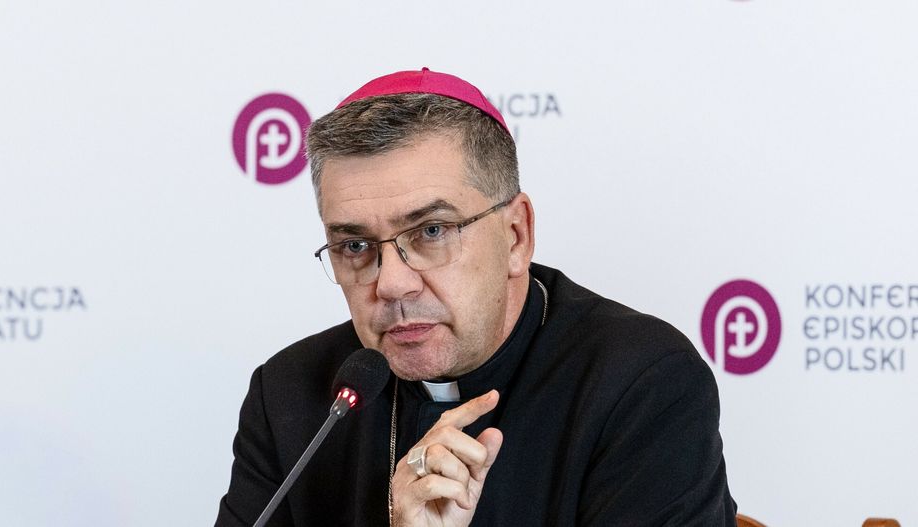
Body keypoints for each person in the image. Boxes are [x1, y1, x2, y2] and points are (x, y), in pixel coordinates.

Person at [215, 68, 737, 526]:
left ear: (515, 236)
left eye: (432, 232)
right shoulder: (291, 396)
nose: (392, 283)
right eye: (355, 246)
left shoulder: (641, 384)